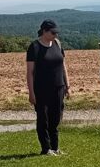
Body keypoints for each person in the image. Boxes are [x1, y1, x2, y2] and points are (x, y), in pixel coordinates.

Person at [26, 20, 70, 155]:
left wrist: (67, 85)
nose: (55, 35)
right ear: (44, 31)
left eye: (56, 33)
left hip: (59, 87)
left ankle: (55, 147)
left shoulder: (57, 44)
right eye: (52, 33)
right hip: (41, 89)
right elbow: (30, 72)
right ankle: (46, 149)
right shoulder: (34, 47)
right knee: (43, 119)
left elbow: (63, 65)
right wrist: (31, 93)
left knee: (55, 118)